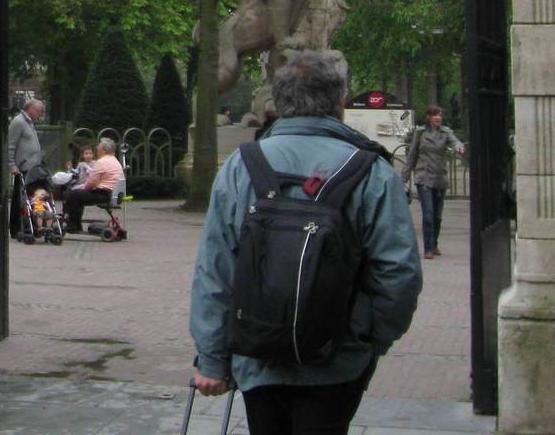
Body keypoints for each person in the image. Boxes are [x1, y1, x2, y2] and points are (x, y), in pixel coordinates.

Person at [189, 51, 421, 435]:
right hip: (339, 356)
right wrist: (369, 339)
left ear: (278, 102)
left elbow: (215, 268)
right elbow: (398, 271)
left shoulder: (240, 165)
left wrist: (213, 359)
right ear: (339, 102)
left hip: (257, 352)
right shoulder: (371, 171)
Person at [402, 105, 465, 260]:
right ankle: (428, 248)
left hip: (440, 178)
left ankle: (435, 244)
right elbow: (412, 155)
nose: (438, 117)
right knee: (428, 214)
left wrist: (459, 148)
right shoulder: (420, 133)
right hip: (424, 177)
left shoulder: (446, 132)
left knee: (437, 215)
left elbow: (456, 141)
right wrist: (404, 177)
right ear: (429, 117)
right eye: (435, 115)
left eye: (440, 115)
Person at [63, 137, 123, 233]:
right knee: (78, 195)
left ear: (103, 149)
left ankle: (73, 225)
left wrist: (83, 189)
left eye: (99, 145)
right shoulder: (114, 161)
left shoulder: (102, 162)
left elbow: (91, 182)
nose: (97, 147)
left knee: (74, 194)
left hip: (103, 193)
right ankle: (75, 225)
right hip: (112, 193)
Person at [7, 99, 46, 240]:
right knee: (19, 198)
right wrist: (12, 165)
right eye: (38, 110)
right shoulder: (19, 122)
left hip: (34, 167)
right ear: (30, 109)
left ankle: (32, 224)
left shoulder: (30, 123)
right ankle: (15, 228)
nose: (40, 113)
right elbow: (11, 145)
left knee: (33, 197)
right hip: (23, 167)